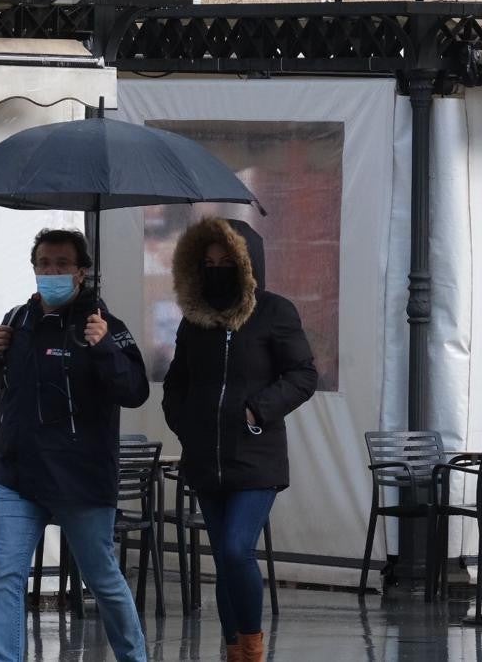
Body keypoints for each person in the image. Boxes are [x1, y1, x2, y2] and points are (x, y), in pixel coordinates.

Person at [0, 228, 151, 662]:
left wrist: (104, 346)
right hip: (18, 473)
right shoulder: (17, 321)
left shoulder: (105, 326)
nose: (51, 271)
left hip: (82, 479)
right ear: (34, 268)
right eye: (44, 264)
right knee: (4, 576)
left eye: (63, 264)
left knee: (102, 578)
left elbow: (135, 391)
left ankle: (134, 657)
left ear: (82, 272)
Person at [161, 217, 317, 662]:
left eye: (225, 261)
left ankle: (251, 649)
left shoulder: (275, 312)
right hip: (205, 461)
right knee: (225, 559)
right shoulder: (195, 322)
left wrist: (258, 409)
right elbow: (176, 383)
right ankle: (233, 651)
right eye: (207, 262)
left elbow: (303, 374)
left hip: (256, 457)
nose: (216, 269)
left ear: (246, 264)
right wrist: (185, 424)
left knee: (235, 548)